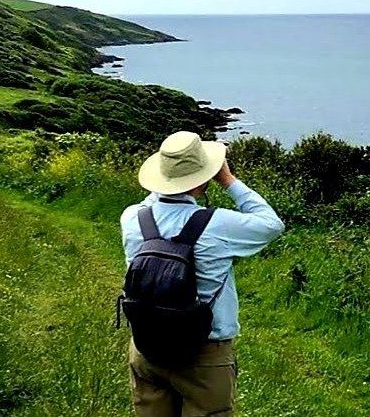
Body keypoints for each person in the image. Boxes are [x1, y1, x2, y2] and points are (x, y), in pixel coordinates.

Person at [121, 131, 285, 416]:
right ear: (203, 181)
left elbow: (156, 201)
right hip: (204, 353)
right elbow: (271, 224)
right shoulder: (218, 224)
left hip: (147, 344)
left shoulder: (133, 217)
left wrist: (173, 177)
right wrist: (228, 180)